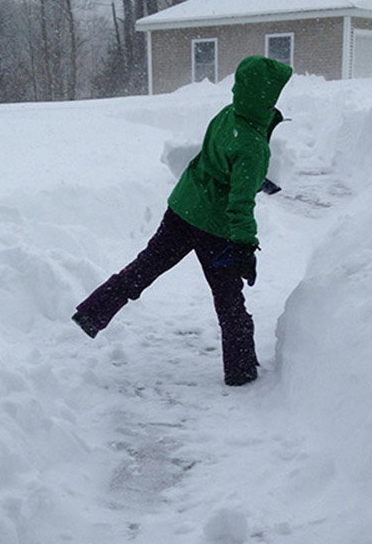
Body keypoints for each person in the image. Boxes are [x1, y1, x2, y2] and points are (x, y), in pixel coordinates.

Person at [73, 55, 293, 385]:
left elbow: (218, 158)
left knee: (143, 268)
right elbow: (240, 204)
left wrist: (252, 176)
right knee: (230, 303)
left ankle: (92, 313)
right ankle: (241, 371)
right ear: (267, 95)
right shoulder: (253, 146)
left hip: (182, 208)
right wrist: (245, 246)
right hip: (214, 229)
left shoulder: (228, 115)